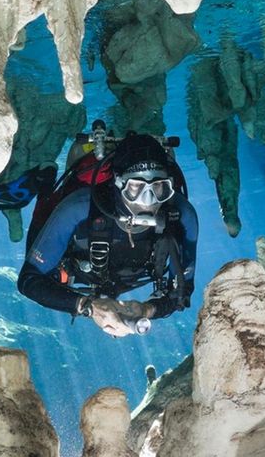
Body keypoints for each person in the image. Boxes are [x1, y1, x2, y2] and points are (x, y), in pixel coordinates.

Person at [17, 132, 198, 337]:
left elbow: (182, 292)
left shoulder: (182, 216)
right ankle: (44, 182)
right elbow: (29, 280)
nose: (147, 200)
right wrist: (87, 306)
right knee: (43, 223)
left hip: (126, 275)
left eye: (159, 188)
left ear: (170, 186)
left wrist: (147, 310)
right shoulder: (78, 208)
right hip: (81, 268)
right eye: (136, 188)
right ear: (118, 183)